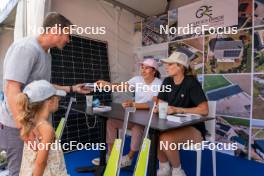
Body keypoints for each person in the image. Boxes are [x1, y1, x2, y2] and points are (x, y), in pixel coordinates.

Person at [0, 12, 90, 176]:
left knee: (34, 169)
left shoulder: (46, 54)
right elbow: (11, 89)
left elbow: (44, 87)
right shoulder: (26, 48)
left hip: (32, 123)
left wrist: (72, 88)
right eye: (67, 35)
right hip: (17, 124)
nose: (68, 40)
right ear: (56, 30)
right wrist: (24, 128)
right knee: (19, 170)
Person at [93, 58, 162, 167]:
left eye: (147, 68)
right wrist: (106, 84)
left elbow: (153, 104)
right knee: (110, 122)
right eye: (142, 67)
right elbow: (120, 87)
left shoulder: (159, 84)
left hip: (150, 119)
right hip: (135, 116)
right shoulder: (137, 79)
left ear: (154, 71)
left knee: (137, 128)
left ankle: (129, 158)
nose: (143, 70)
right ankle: (110, 154)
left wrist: (133, 104)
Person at [156, 52, 208, 176]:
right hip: (171, 125)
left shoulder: (191, 83)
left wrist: (178, 109)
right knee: (152, 134)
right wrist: (159, 107)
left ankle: (177, 170)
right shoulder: (167, 81)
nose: (166, 67)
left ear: (180, 66)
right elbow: (160, 102)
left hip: (193, 128)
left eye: (169, 64)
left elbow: (204, 110)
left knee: (166, 139)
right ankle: (164, 168)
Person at [17, 80, 68, 176]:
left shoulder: (29, 123)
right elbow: (41, 162)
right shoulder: (46, 129)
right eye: (57, 97)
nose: (59, 99)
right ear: (50, 102)